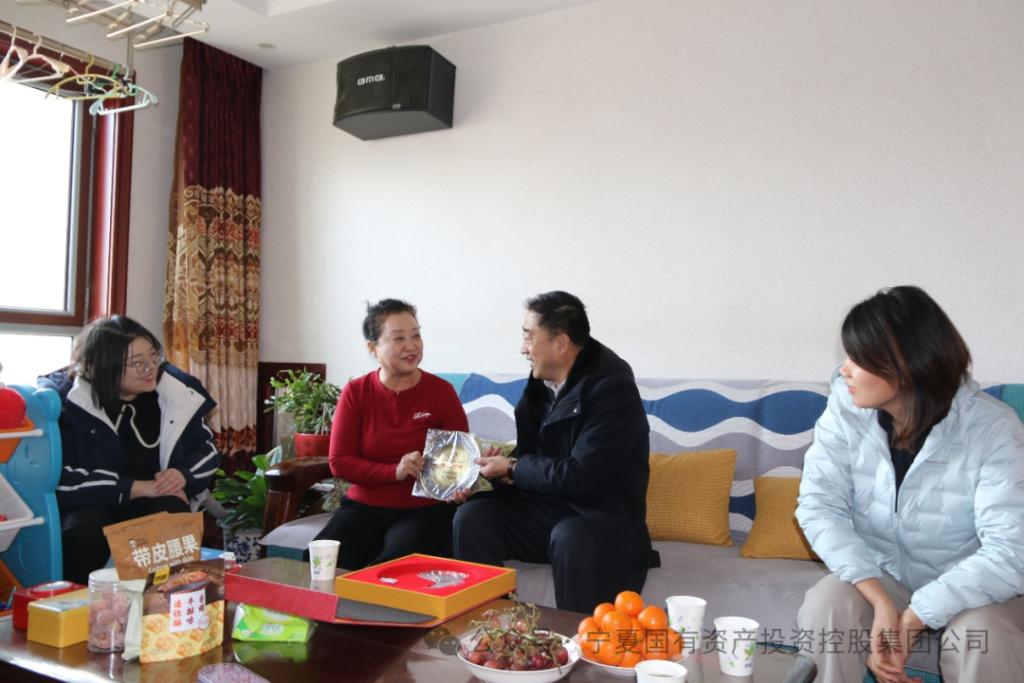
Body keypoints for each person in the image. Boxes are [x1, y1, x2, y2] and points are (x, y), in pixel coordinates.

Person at [795, 286, 1024, 683]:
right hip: (887, 575)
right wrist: (881, 602)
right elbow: (819, 506)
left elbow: (1011, 551)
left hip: (974, 587)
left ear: (903, 367)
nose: (844, 370)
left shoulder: (993, 429)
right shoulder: (845, 409)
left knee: (979, 636)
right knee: (828, 604)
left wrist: (915, 617)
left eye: (857, 359)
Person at [452, 291, 654, 612]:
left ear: (560, 344)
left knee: (570, 536)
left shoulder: (612, 389)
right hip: (546, 507)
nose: (523, 348)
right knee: (473, 518)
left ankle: (576, 637)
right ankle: (490, 624)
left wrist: (513, 467)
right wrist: (489, 476)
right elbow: (533, 455)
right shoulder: (543, 381)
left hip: (599, 518)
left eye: (528, 336)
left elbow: (581, 475)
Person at [39, 316, 221, 585]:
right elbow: (58, 479)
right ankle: (79, 600)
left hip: (151, 501)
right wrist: (136, 487)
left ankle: (161, 601)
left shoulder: (174, 393)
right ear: (105, 366)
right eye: (138, 363)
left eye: (154, 356)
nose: (151, 368)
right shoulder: (66, 403)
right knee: (85, 527)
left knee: (171, 509)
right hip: (90, 504)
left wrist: (182, 475)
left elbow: (207, 450)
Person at [311, 299, 469, 569]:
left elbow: (457, 458)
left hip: (424, 510)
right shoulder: (356, 392)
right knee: (322, 564)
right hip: (363, 508)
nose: (411, 345)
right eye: (398, 338)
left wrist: (459, 483)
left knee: (393, 569)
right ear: (372, 348)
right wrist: (394, 471)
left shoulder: (441, 392)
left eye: (416, 335)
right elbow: (340, 462)